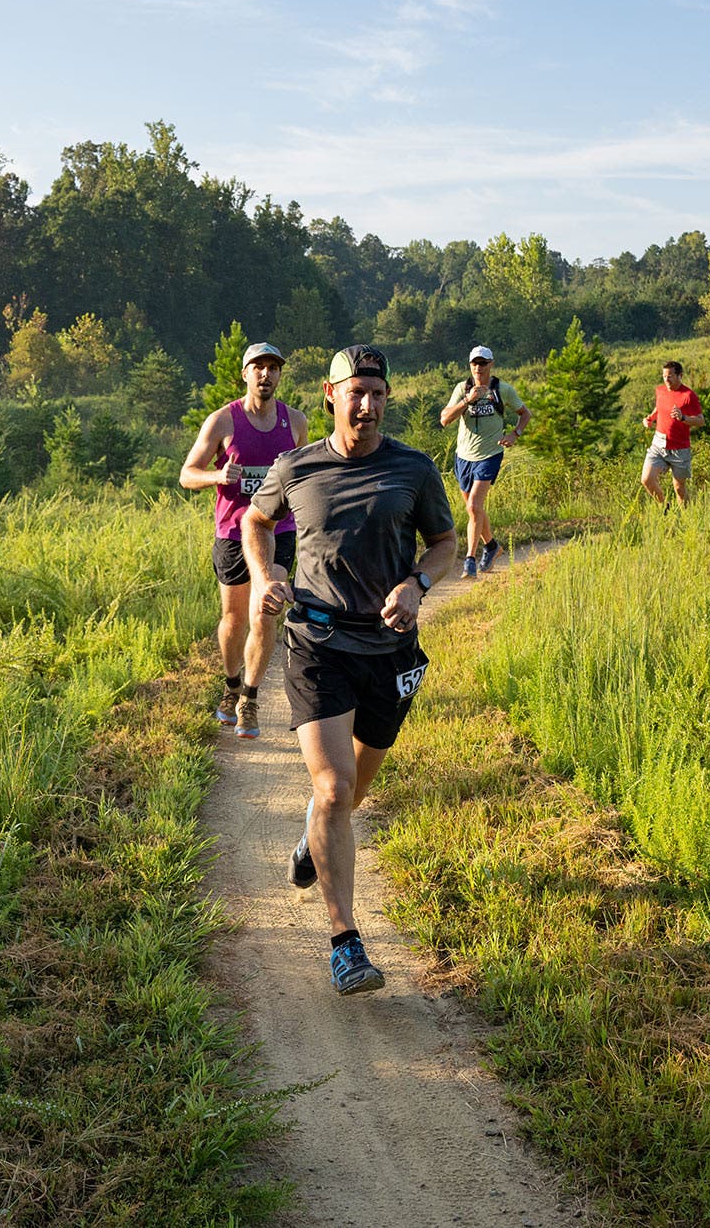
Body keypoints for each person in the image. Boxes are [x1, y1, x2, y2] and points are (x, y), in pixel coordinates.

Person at [245, 345, 457, 996]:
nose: (367, 405)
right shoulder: (296, 467)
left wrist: (419, 583)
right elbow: (257, 519)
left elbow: (444, 543)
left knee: (352, 791)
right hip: (319, 642)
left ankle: (316, 837)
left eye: (378, 394)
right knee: (336, 790)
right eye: (355, 392)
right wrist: (263, 575)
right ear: (331, 396)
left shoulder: (414, 470)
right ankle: (345, 943)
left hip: (389, 650)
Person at [180, 340, 310, 739]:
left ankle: (250, 700)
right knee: (234, 620)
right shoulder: (223, 421)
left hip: (278, 531)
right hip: (233, 534)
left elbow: (306, 477)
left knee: (265, 611)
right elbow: (187, 474)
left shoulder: (296, 422)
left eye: (273, 368)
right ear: (245, 374)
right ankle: (231, 685)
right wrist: (217, 477)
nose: (266, 374)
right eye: (258, 367)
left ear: (279, 375)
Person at [436, 345, 526, 578]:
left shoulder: (503, 390)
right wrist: (467, 400)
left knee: (474, 506)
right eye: (475, 363)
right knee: (473, 509)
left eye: (483, 363)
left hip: (490, 454)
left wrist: (514, 435)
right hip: (464, 456)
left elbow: (524, 414)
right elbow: (445, 419)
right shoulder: (461, 389)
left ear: (491, 364)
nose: (478, 367)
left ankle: (469, 560)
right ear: (470, 366)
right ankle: (492, 546)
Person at [640, 359, 704, 507]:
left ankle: (685, 519)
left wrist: (683, 417)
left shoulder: (688, 395)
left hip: (679, 448)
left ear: (679, 375)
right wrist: (650, 418)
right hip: (658, 443)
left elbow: (700, 421)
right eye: (664, 376)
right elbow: (659, 408)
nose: (666, 380)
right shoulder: (660, 391)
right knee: (646, 479)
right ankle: (664, 507)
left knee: (679, 488)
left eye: (670, 376)